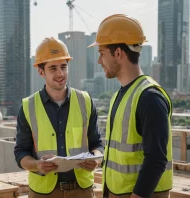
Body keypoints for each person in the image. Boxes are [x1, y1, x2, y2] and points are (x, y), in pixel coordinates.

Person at [88, 14, 173, 198]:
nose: (99, 61)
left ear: (118, 53)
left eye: (102, 53)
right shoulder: (120, 95)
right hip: (116, 191)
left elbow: (156, 159)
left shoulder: (149, 97)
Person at [14, 37, 104, 198]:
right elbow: (21, 153)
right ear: (41, 71)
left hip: (81, 190)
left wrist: (95, 160)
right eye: (53, 68)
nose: (60, 73)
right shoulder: (28, 107)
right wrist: (37, 165)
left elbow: (97, 144)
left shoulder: (85, 101)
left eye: (63, 67)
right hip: (43, 192)